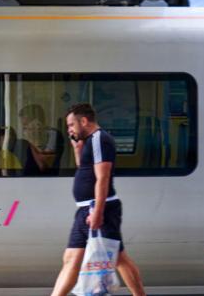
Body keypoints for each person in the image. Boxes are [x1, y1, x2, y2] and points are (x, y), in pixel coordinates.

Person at [50, 103, 146, 296]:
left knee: (119, 259)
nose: (69, 130)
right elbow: (85, 170)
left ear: (84, 121)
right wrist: (77, 150)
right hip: (86, 209)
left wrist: (98, 212)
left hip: (98, 208)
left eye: (71, 125)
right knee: (71, 258)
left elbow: (103, 177)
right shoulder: (89, 142)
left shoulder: (99, 139)